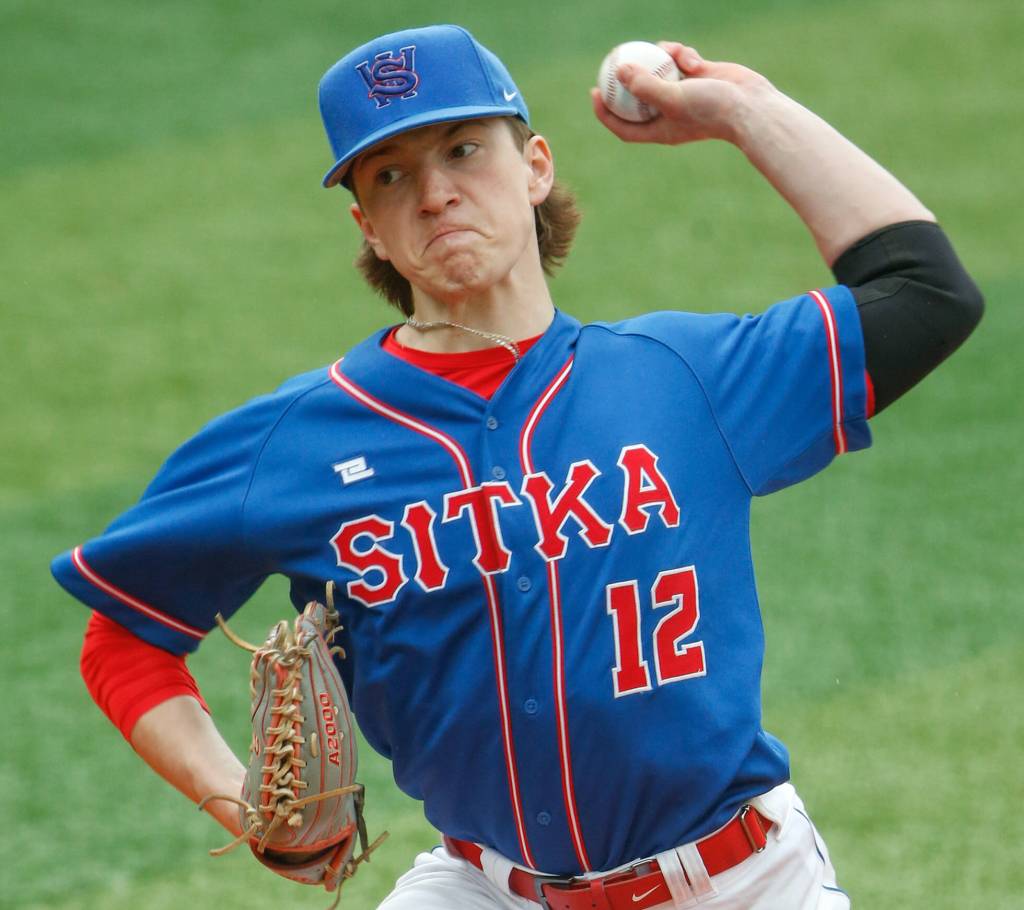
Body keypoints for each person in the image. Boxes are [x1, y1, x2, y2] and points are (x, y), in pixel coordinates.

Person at [53, 23, 982, 910]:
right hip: (486, 885)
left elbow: (926, 292)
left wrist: (747, 113)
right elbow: (126, 636)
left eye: (464, 150)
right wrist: (243, 804)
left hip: (739, 882)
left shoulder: (685, 378)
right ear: (369, 226)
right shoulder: (297, 442)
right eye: (391, 174)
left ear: (535, 166)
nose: (435, 193)